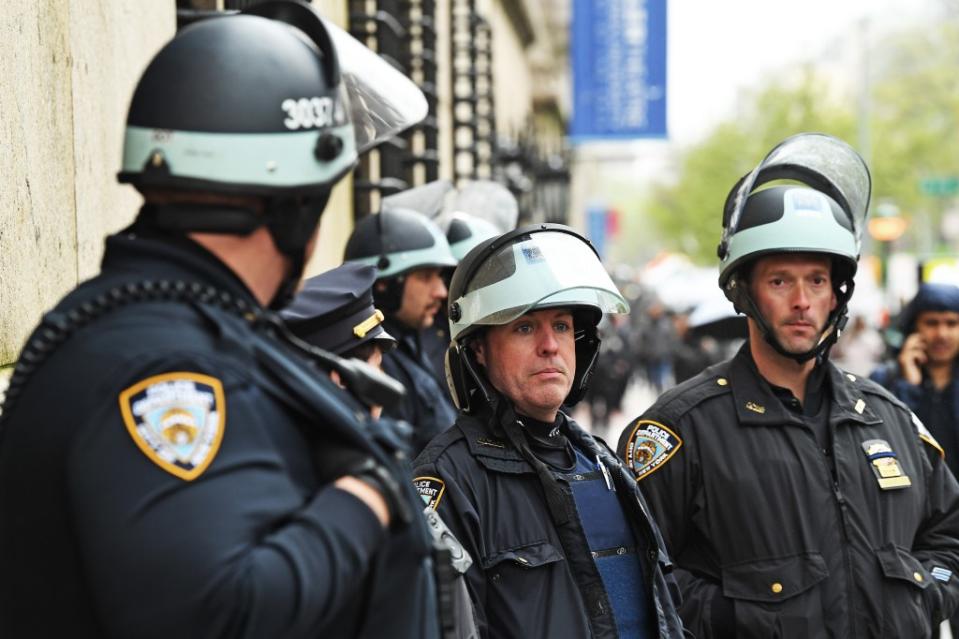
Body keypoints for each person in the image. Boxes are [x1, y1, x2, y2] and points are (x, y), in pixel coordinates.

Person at [0, 4, 441, 637]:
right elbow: (221, 614)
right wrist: (367, 494)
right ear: (292, 211)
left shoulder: (168, 325)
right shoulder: (167, 366)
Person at [617, 133, 959, 638]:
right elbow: (636, 575)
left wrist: (924, 596)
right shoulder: (680, 428)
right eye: (780, 280)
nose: (802, 301)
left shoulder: (889, 417)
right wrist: (739, 619)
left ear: (836, 293)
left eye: (817, 281)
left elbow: (947, 533)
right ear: (744, 289)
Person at [413, 224, 686, 638]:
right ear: (479, 351)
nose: (550, 346)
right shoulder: (449, 482)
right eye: (524, 327)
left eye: (561, 326)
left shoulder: (603, 464)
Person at [344, 207, 459, 454]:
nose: (441, 291)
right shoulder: (374, 359)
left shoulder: (408, 342)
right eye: (426, 277)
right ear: (385, 283)